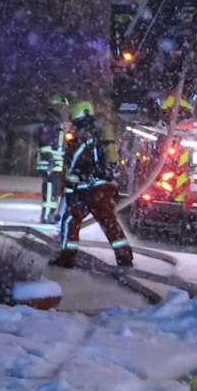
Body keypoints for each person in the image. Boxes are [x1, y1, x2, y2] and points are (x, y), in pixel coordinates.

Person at [52, 102, 133, 269]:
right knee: (108, 221)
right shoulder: (99, 135)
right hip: (105, 187)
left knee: (70, 220)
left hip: (90, 190)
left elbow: (73, 165)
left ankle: (67, 257)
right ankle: (124, 258)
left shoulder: (84, 137)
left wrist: (69, 191)